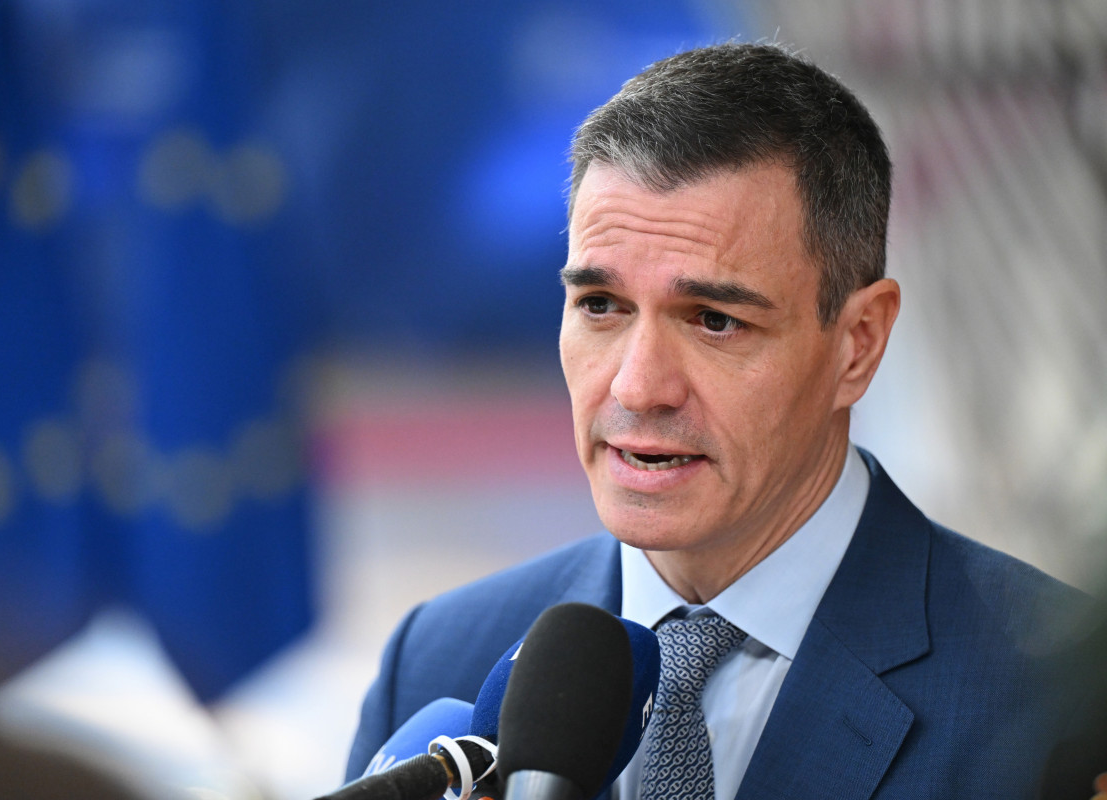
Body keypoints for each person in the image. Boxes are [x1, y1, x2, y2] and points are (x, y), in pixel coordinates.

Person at [343, 43, 1089, 799]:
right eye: (600, 305)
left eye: (714, 320)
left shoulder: (1060, 704)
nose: (638, 387)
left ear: (858, 343)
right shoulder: (434, 661)